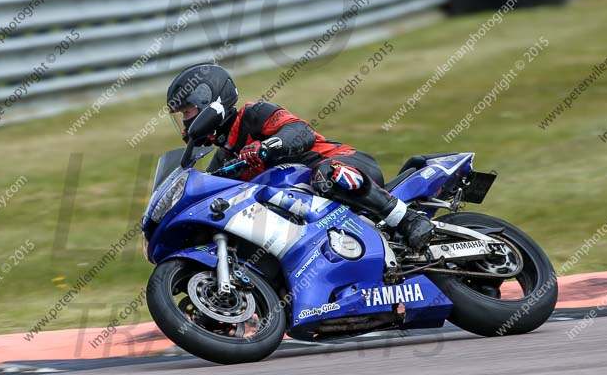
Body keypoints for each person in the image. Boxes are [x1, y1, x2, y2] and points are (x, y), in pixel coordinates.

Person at [166, 63, 433, 251]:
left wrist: (267, 146)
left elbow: (300, 131)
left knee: (326, 175)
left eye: (187, 112)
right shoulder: (225, 158)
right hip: (311, 206)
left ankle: (408, 220)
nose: (185, 122)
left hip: (344, 165)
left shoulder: (254, 114)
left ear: (208, 101)